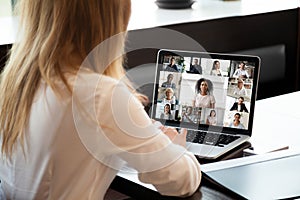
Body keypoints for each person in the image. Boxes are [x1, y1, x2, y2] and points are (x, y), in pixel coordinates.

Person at [0, 0, 201, 199]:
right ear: (112, 18)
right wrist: (176, 150)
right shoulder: (101, 96)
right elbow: (180, 181)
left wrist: (143, 136)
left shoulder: (16, 83)